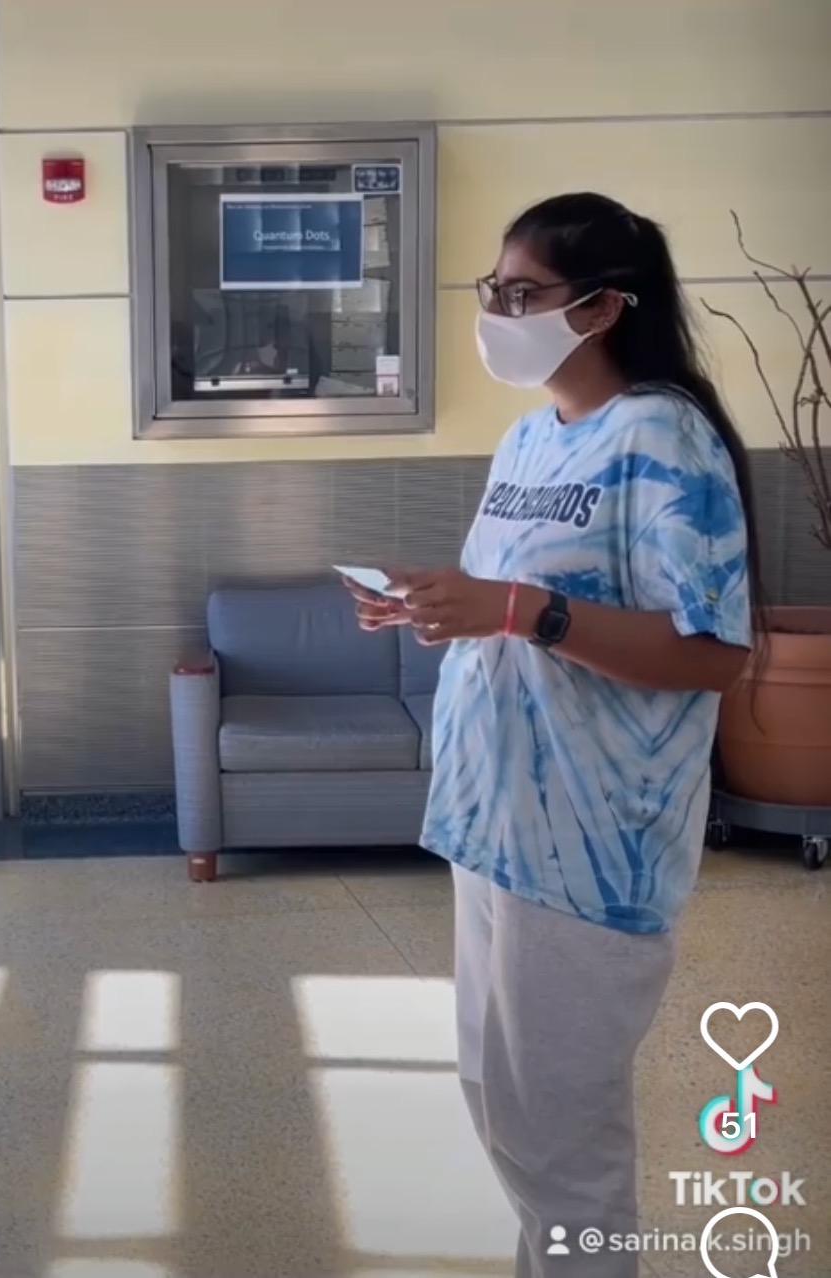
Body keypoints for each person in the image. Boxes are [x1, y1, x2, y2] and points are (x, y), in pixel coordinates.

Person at [345, 193, 759, 1278]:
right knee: (508, 1118)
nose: (497, 311)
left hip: (591, 846)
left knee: (566, 1154)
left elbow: (714, 652)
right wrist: (438, 605)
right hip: (495, 823)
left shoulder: (665, 438)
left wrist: (522, 612)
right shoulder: (531, 438)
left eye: (521, 294)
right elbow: (506, 600)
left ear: (604, 307)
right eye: (494, 288)